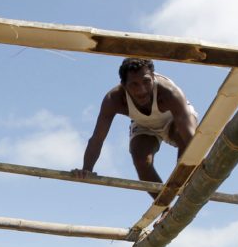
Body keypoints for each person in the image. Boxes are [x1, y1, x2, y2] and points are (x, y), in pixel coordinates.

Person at [71, 57, 198, 196]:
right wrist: (87, 170)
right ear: (124, 85)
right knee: (140, 159)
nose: (142, 90)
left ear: (153, 77)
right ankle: (163, 205)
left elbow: (190, 136)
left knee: (184, 138)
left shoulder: (170, 93)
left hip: (175, 120)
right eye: (134, 85)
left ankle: (185, 179)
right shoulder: (113, 99)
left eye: (146, 82)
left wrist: (192, 165)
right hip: (144, 125)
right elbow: (97, 138)